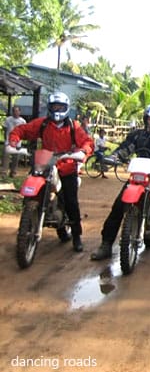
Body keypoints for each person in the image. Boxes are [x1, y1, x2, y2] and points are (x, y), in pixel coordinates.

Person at [90, 103, 150, 266]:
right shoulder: (137, 135)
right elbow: (124, 149)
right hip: (138, 176)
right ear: (145, 119)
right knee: (118, 207)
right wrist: (114, 157)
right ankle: (106, 245)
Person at [9, 92, 94, 252]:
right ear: (49, 107)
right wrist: (14, 140)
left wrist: (83, 151)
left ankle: (76, 236)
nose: (57, 109)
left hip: (66, 166)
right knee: (30, 194)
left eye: (60, 107)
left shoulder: (73, 126)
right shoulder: (43, 124)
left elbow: (87, 141)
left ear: (66, 108)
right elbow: (23, 130)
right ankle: (28, 220)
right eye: (54, 106)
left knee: (71, 202)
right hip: (44, 164)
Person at [3, 106, 26, 177]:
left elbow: (24, 132)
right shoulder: (8, 119)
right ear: (12, 112)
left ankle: (13, 172)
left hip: (17, 143)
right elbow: (5, 129)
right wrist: (6, 139)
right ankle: (3, 173)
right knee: (5, 158)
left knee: (15, 159)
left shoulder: (23, 121)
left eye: (17, 111)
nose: (15, 112)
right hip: (8, 142)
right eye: (14, 111)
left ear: (19, 112)